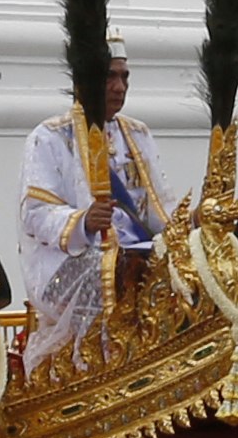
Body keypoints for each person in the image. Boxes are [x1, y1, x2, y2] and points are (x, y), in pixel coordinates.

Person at [15, 50, 171, 368]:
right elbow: (35, 214)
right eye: (110, 77)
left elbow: (159, 212)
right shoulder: (49, 137)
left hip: (139, 253)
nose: (119, 87)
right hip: (75, 261)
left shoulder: (138, 134)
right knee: (112, 267)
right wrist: (82, 222)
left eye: (124, 77)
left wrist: (194, 220)